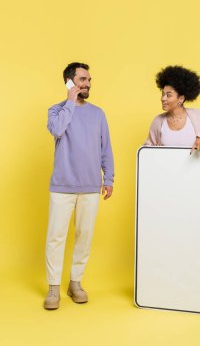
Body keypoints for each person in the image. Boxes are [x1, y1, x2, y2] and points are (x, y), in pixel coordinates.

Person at [44, 62, 114, 310]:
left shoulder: (98, 113)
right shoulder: (56, 111)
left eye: (89, 80)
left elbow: (106, 147)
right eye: (82, 79)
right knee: (56, 237)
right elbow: (57, 130)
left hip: (90, 187)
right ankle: (53, 287)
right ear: (70, 82)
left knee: (84, 236)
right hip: (62, 186)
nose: (87, 84)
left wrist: (110, 178)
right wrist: (70, 103)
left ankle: (75, 282)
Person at [144, 65, 200, 217]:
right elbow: (147, 154)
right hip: (168, 191)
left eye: (168, 95)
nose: (163, 98)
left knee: (196, 232)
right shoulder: (158, 122)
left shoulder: (199, 117)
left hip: (197, 189)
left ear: (181, 98)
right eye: (162, 94)